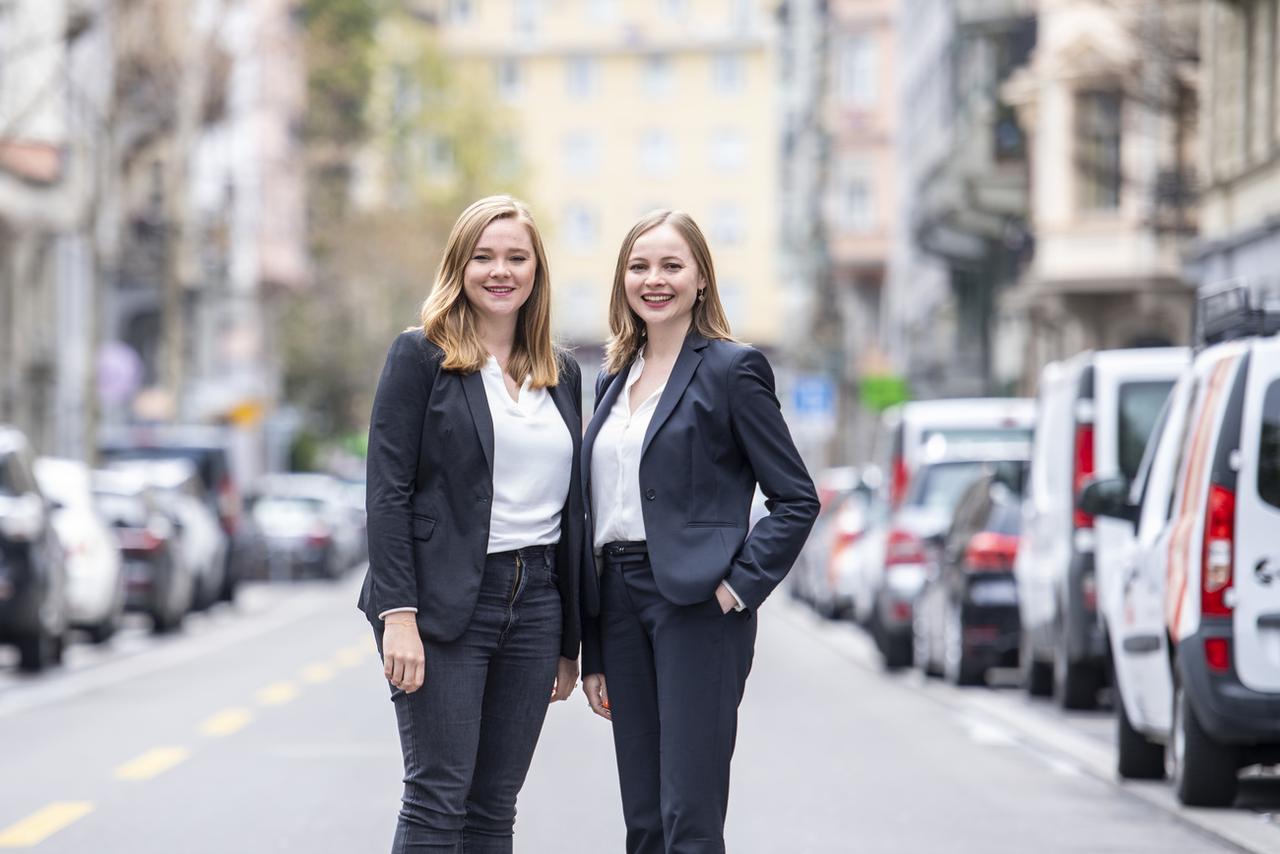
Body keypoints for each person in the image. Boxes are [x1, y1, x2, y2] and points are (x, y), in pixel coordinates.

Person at [579, 210, 820, 853]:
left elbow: (795, 497)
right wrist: (596, 646)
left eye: (670, 265)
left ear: (702, 280)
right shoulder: (611, 378)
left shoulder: (733, 370)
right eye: (639, 266)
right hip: (620, 602)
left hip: (698, 606)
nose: (653, 280)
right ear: (622, 281)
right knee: (645, 821)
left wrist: (736, 589)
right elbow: (601, 514)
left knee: (690, 814)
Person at [358, 195, 584, 853]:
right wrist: (398, 614)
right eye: (484, 256)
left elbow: (572, 513)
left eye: (516, 257)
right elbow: (387, 491)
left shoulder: (560, 374)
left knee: (494, 809)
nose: (500, 271)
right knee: (437, 799)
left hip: (536, 605)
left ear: (536, 271)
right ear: (459, 265)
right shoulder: (421, 356)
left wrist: (569, 641)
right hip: (441, 603)